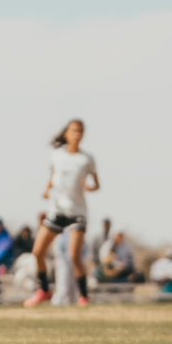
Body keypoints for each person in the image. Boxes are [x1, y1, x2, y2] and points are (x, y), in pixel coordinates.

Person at [25, 119, 101, 307]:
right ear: (67, 133)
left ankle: (84, 297)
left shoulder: (86, 159)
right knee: (37, 252)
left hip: (77, 212)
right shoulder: (57, 155)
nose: (77, 134)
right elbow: (53, 177)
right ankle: (43, 291)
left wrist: (91, 187)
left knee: (74, 255)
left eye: (80, 131)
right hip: (57, 211)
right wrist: (47, 189)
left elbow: (97, 183)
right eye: (74, 130)